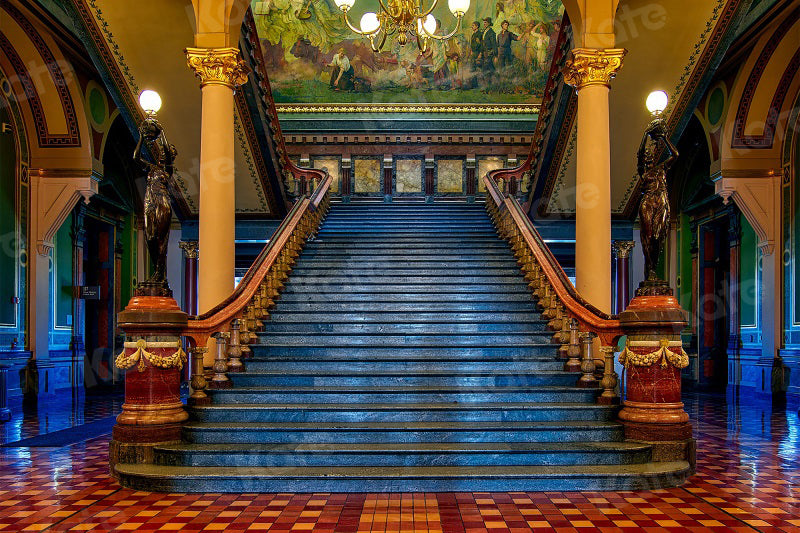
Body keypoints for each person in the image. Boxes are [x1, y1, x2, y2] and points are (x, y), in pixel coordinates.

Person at [480, 17, 497, 83]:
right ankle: (493, 81)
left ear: (489, 23)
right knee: (490, 67)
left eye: (485, 22)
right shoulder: (484, 31)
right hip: (485, 52)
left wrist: (495, 54)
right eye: (484, 22)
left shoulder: (491, 32)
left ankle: (490, 82)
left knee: (486, 67)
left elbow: (494, 44)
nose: (484, 24)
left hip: (490, 52)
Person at [468, 21, 482, 88]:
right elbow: (472, 44)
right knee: (472, 68)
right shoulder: (473, 34)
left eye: (473, 25)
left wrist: (479, 53)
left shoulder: (479, 34)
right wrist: (471, 51)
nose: (472, 27)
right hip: (473, 53)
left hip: (477, 53)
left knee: (474, 68)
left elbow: (480, 45)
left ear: (477, 26)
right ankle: (473, 84)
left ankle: (475, 84)